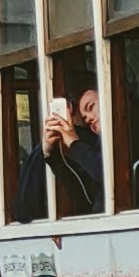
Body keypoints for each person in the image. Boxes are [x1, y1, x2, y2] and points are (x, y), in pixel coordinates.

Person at [40, 86, 107, 217]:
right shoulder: (96, 142)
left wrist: (73, 142)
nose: (89, 119)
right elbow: (79, 188)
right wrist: (49, 152)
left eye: (91, 107)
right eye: (85, 119)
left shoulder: (121, 134)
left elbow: (107, 173)